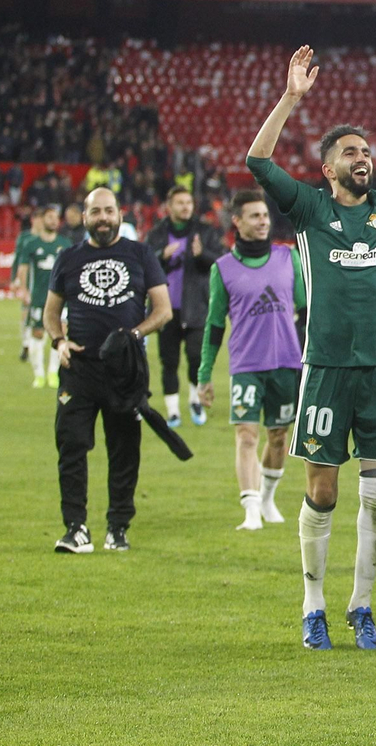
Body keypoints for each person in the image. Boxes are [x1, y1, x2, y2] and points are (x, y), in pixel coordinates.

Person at [247, 46, 376, 652]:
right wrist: (292, 98)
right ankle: (313, 603)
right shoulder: (310, 208)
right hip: (324, 370)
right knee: (323, 491)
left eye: (367, 152)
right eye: (351, 153)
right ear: (328, 168)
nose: (364, 159)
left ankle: (360, 605)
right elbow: (257, 157)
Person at [42, 188, 171, 554]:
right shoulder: (68, 258)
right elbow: (51, 313)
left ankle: (117, 527)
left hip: (125, 372)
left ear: (120, 215)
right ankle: (75, 529)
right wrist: (58, 341)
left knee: (124, 451)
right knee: (71, 446)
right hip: (78, 369)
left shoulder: (140, 254)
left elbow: (162, 311)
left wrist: (132, 335)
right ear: (84, 217)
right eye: (95, 211)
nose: (103, 217)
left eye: (109, 211)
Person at [196, 189, 304, 532]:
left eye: (265, 215)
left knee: (278, 438)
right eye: (255, 216)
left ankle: (268, 497)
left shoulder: (289, 259)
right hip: (245, 365)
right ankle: (251, 510)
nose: (263, 221)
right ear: (237, 222)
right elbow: (214, 325)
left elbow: (307, 310)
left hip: (287, 363)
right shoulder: (223, 269)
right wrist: (204, 374)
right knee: (245, 436)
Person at [145, 185, 224, 427]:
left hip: (196, 307)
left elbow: (221, 261)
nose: (185, 207)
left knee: (194, 357)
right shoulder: (157, 233)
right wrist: (161, 256)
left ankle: (194, 401)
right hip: (166, 309)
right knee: (168, 361)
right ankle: (172, 412)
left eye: (188, 203)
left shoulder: (205, 232)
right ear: (169, 207)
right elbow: (144, 263)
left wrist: (202, 255)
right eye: (180, 203)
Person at [16, 205, 72, 388]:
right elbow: (23, 269)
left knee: (60, 333)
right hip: (39, 297)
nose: (53, 220)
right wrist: (23, 290)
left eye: (56, 217)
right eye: (49, 217)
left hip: (61, 299)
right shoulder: (31, 244)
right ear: (42, 220)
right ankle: (38, 374)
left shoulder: (65, 244)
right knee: (38, 334)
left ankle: (53, 374)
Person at [12, 208, 39, 364]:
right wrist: (14, 279)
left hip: (40, 282)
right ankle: (25, 344)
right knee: (25, 313)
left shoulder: (48, 239)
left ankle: (33, 345)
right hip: (26, 280)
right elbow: (17, 260)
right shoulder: (24, 238)